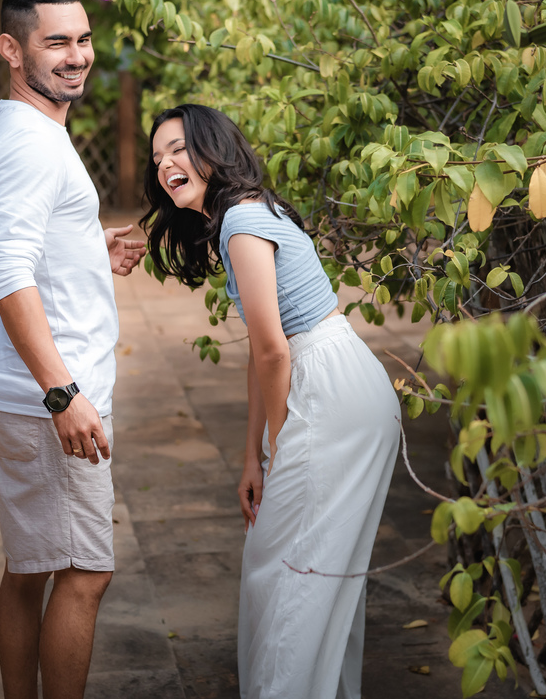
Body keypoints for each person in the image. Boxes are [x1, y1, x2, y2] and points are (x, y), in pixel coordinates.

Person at [141, 104, 401, 699]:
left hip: (326, 385)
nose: (166, 165)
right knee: (317, 571)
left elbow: (274, 353)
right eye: (158, 158)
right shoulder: (250, 212)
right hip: (337, 377)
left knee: (288, 575)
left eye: (178, 148)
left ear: (212, 148)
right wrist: (254, 455)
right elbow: (263, 355)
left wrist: (280, 443)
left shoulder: (240, 222)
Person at [0, 0, 144, 699]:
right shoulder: (33, 144)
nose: (77, 56)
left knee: (32, 563)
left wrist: (83, 247)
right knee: (86, 571)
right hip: (47, 397)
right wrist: (63, 393)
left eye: (84, 39)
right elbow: (2, 269)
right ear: (13, 49)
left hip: (17, 390)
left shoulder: (8, 125)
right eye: (56, 42)